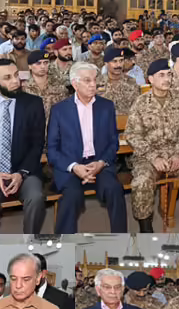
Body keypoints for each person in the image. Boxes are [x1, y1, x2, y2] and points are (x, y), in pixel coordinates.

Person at [125, 59, 179, 233]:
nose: (167, 79)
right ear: (151, 79)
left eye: (169, 75)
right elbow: (132, 135)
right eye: (161, 75)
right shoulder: (141, 103)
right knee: (141, 182)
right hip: (148, 157)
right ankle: (145, 228)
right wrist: (153, 157)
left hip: (175, 154)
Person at [48, 61, 128, 233]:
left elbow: (113, 142)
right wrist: (74, 167)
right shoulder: (59, 110)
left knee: (115, 190)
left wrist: (101, 163)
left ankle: (121, 239)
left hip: (99, 164)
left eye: (94, 80)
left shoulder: (106, 106)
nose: (93, 85)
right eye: (87, 80)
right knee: (71, 196)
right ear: (75, 84)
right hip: (71, 167)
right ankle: (64, 242)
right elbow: (52, 150)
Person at [0, 59, 47, 234]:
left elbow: (37, 144)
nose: (15, 81)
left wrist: (21, 173)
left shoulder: (33, 103)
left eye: (16, 75)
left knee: (36, 198)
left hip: (25, 171)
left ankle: (29, 242)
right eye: (7, 78)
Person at [22, 50, 69, 127]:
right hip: (32, 128)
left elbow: (65, 109)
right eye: (38, 63)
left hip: (54, 127)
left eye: (46, 63)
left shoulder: (59, 84)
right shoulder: (23, 87)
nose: (43, 66)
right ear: (30, 66)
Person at [97, 47, 140, 115]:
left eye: (121, 61)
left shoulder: (131, 82)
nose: (119, 65)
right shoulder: (97, 82)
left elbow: (136, 107)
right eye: (114, 61)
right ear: (106, 64)